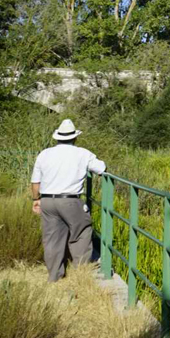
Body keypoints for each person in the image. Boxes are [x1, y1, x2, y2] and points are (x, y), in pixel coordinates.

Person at [30, 119, 107, 282]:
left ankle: (54, 277)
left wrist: (36, 199)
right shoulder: (82, 153)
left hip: (48, 201)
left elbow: (35, 182)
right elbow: (101, 168)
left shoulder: (44, 154)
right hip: (70, 200)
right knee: (81, 232)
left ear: (57, 137)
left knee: (51, 239)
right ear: (75, 138)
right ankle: (81, 276)